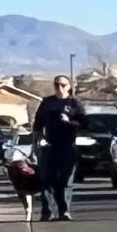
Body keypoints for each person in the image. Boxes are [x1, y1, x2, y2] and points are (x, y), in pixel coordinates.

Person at [31, 75, 85, 221]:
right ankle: (48, 211)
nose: (59, 88)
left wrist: (69, 121)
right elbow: (37, 124)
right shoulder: (47, 103)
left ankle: (65, 211)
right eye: (57, 85)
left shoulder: (75, 103)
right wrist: (35, 143)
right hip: (50, 146)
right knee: (48, 180)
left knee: (66, 180)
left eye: (63, 85)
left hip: (68, 146)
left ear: (69, 86)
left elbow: (84, 124)